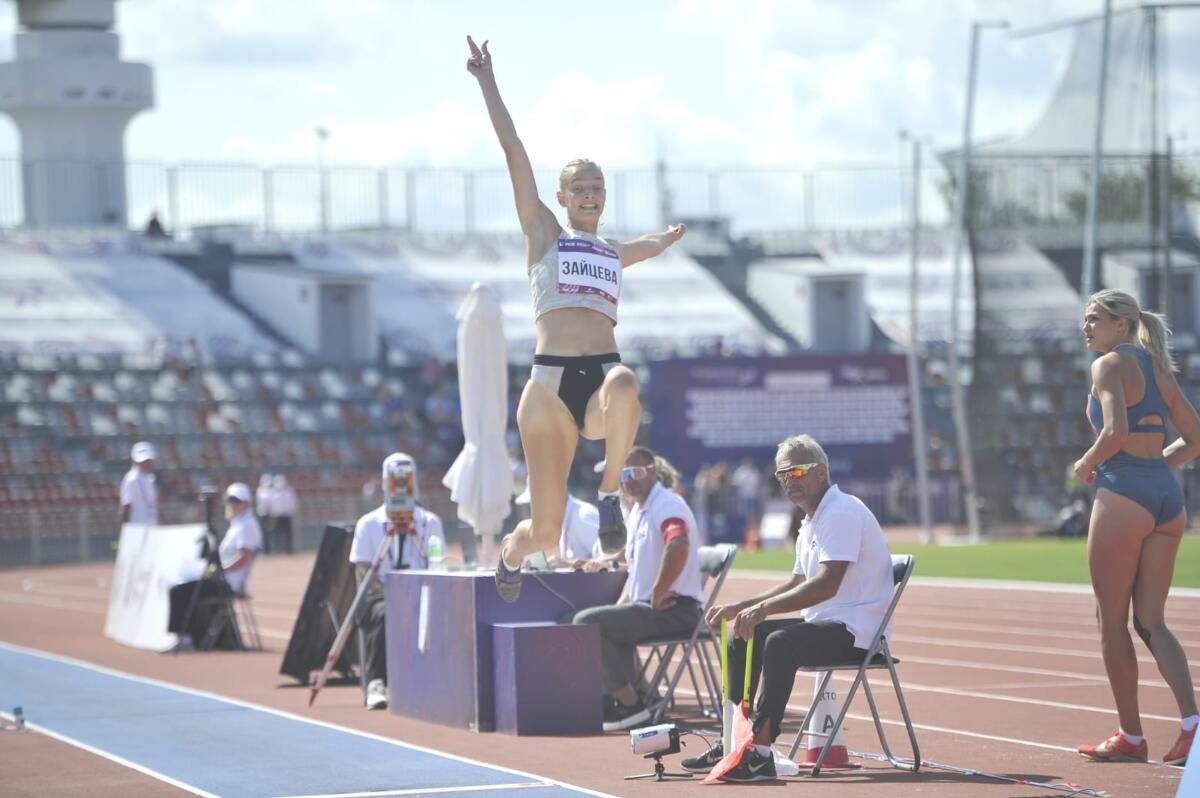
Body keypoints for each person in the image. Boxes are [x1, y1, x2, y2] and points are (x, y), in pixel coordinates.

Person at [466, 36, 687, 602]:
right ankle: (510, 555)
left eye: (597, 188)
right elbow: (515, 152)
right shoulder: (544, 234)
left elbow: (646, 246)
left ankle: (610, 491)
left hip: (600, 380)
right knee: (545, 534)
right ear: (562, 198)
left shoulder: (612, 251)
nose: (590, 195)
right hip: (547, 388)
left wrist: (664, 239)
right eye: (579, 188)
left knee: (625, 381)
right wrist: (487, 81)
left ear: (604, 197)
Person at [684, 434, 893, 781]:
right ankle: (732, 740)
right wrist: (741, 607)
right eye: (782, 476)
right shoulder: (810, 520)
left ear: (821, 471)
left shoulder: (841, 512)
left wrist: (764, 609)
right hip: (826, 623)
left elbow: (827, 584)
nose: (787, 482)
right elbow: (797, 582)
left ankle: (761, 753)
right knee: (741, 636)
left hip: (858, 630)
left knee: (778, 641)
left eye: (796, 473)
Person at [1073, 290, 1199, 765]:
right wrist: (1159, 467)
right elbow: (1196, 437)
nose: (1086, 327)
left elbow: (1115, 433)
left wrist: (1085, 465)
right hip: (1168, 501)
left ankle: (1131, 735)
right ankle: (1192, 726)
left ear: (1121, 325)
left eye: (1094, 319)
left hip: (1123, 494)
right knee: (1152, 621)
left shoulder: (1108, 366)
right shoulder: (1158, 370)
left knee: (1111, 622)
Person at [570, 447, 704, 732]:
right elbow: (632, 558)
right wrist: (600, 562)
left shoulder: (666, 504)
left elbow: (678, 543)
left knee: (587, 622)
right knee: (594, 622)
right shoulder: (639, 511)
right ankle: (640, 696)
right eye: (620, 474)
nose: (627, 479)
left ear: (653, 472)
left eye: (634, 472)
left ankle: (630, 704)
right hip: (654, 607)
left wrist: (660, 589)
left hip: (675, 609)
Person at [349, 452, 444, 710]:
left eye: (406, 480)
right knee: (384, 612)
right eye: (395, 480)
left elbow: (436, 563)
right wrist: (393, 593)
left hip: (421, 591)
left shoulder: (429, 523)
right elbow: (363, 569)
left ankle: (437, 679)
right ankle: (376, 683)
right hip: (380, 595)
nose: (401, 487)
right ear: (384, 483)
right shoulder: (368, 524)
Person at [166, 483, 263, 649]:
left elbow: (244, 557)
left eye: (236, 501)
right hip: (222, 579)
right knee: (182, 586)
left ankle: (185, 639)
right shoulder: (239, 523)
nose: (232, 504)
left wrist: (221, 570)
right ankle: (190, 637)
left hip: (227, 583)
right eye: (230, 501)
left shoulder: (247, 524)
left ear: (246, 503)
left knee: (179, 592)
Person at [119, 441, 158, 526]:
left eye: (148, 461)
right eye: (143, 461)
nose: (146, 464)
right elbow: (126, 506)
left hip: (151, 526)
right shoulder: (131, 479)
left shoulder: (150, 479)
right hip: (137, 528)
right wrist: (126, 531)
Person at [271, 474, 297, 554]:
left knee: (288, 534)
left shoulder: (289, 491)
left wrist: (292, 511)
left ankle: (288, 549)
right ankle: (278, 550)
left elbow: (293, 503)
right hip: (277, 516)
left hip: (286, 515)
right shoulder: (273, 493)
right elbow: (272, 504)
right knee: (277, 533)